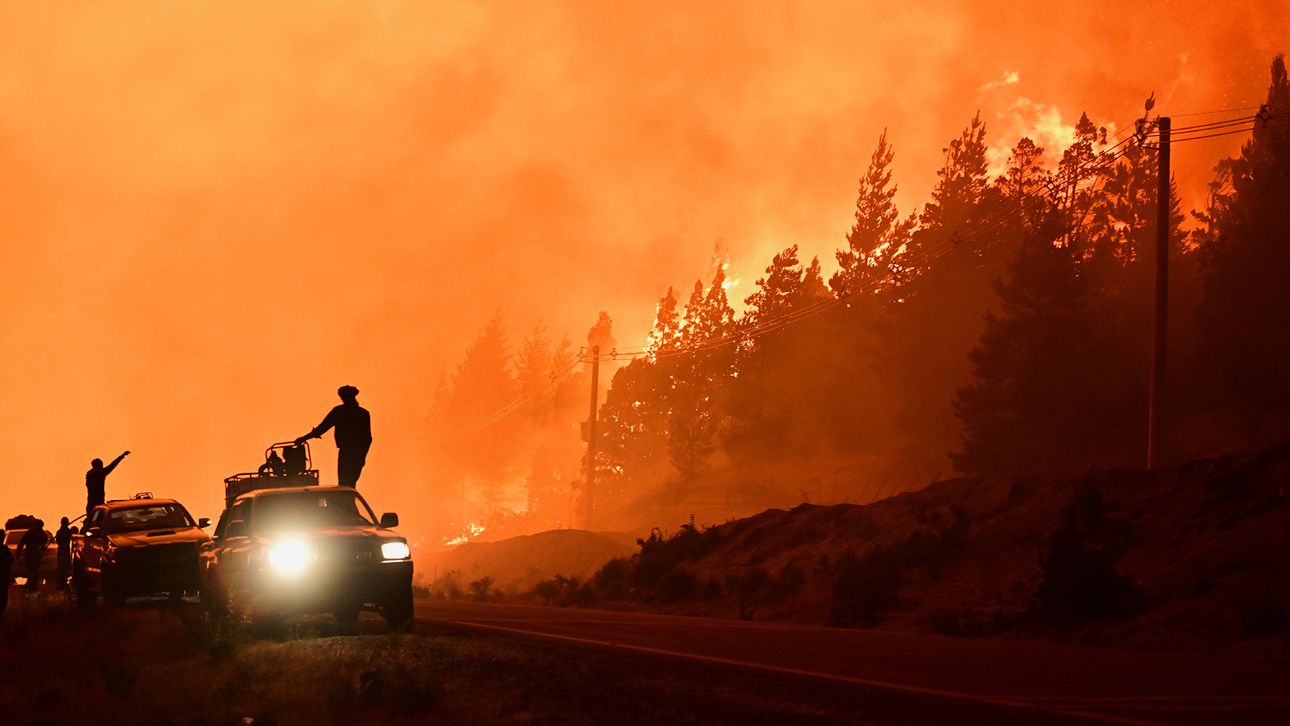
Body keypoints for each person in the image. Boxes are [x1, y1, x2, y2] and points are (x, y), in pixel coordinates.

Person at [296, 385, 372, 488]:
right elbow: (368, 439)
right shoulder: (363, 413)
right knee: (349, 483)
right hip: (356, 454)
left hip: (348, 453)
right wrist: (362, 457)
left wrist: (303, 438)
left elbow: (321, 428)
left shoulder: (340, 412)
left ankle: (346, 503)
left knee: (345, 483)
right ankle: (347, 502)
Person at [86, 451, 130, 518]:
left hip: (92, 503)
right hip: (97, 503)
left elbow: (111, 466)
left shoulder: (90, 474)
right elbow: (112, 465)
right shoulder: (99, 473)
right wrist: (121, 456)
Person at [17, 522, 47, 592]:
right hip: (34, 553)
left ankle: (31, 585)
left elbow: (21, 542)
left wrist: (18, 552)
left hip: (30, 553)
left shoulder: (30, 532)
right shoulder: (40, 533)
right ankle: (32, 585)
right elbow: (43, 542)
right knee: (34, 570)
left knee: (32, 569)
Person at [55, 517, 73, 591]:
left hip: (62, 551)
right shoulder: (68, 531)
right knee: (64, 567)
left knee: (62, 567)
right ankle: (63, 583)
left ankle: (62, 583)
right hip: (64, 551)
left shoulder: (59, 532)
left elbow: (58, 541)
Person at [0, 528, 13, 619]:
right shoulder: (5, 549)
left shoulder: (5, 549)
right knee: (3, 597)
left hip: (4, 577)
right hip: (4, 577)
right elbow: (12, 561)